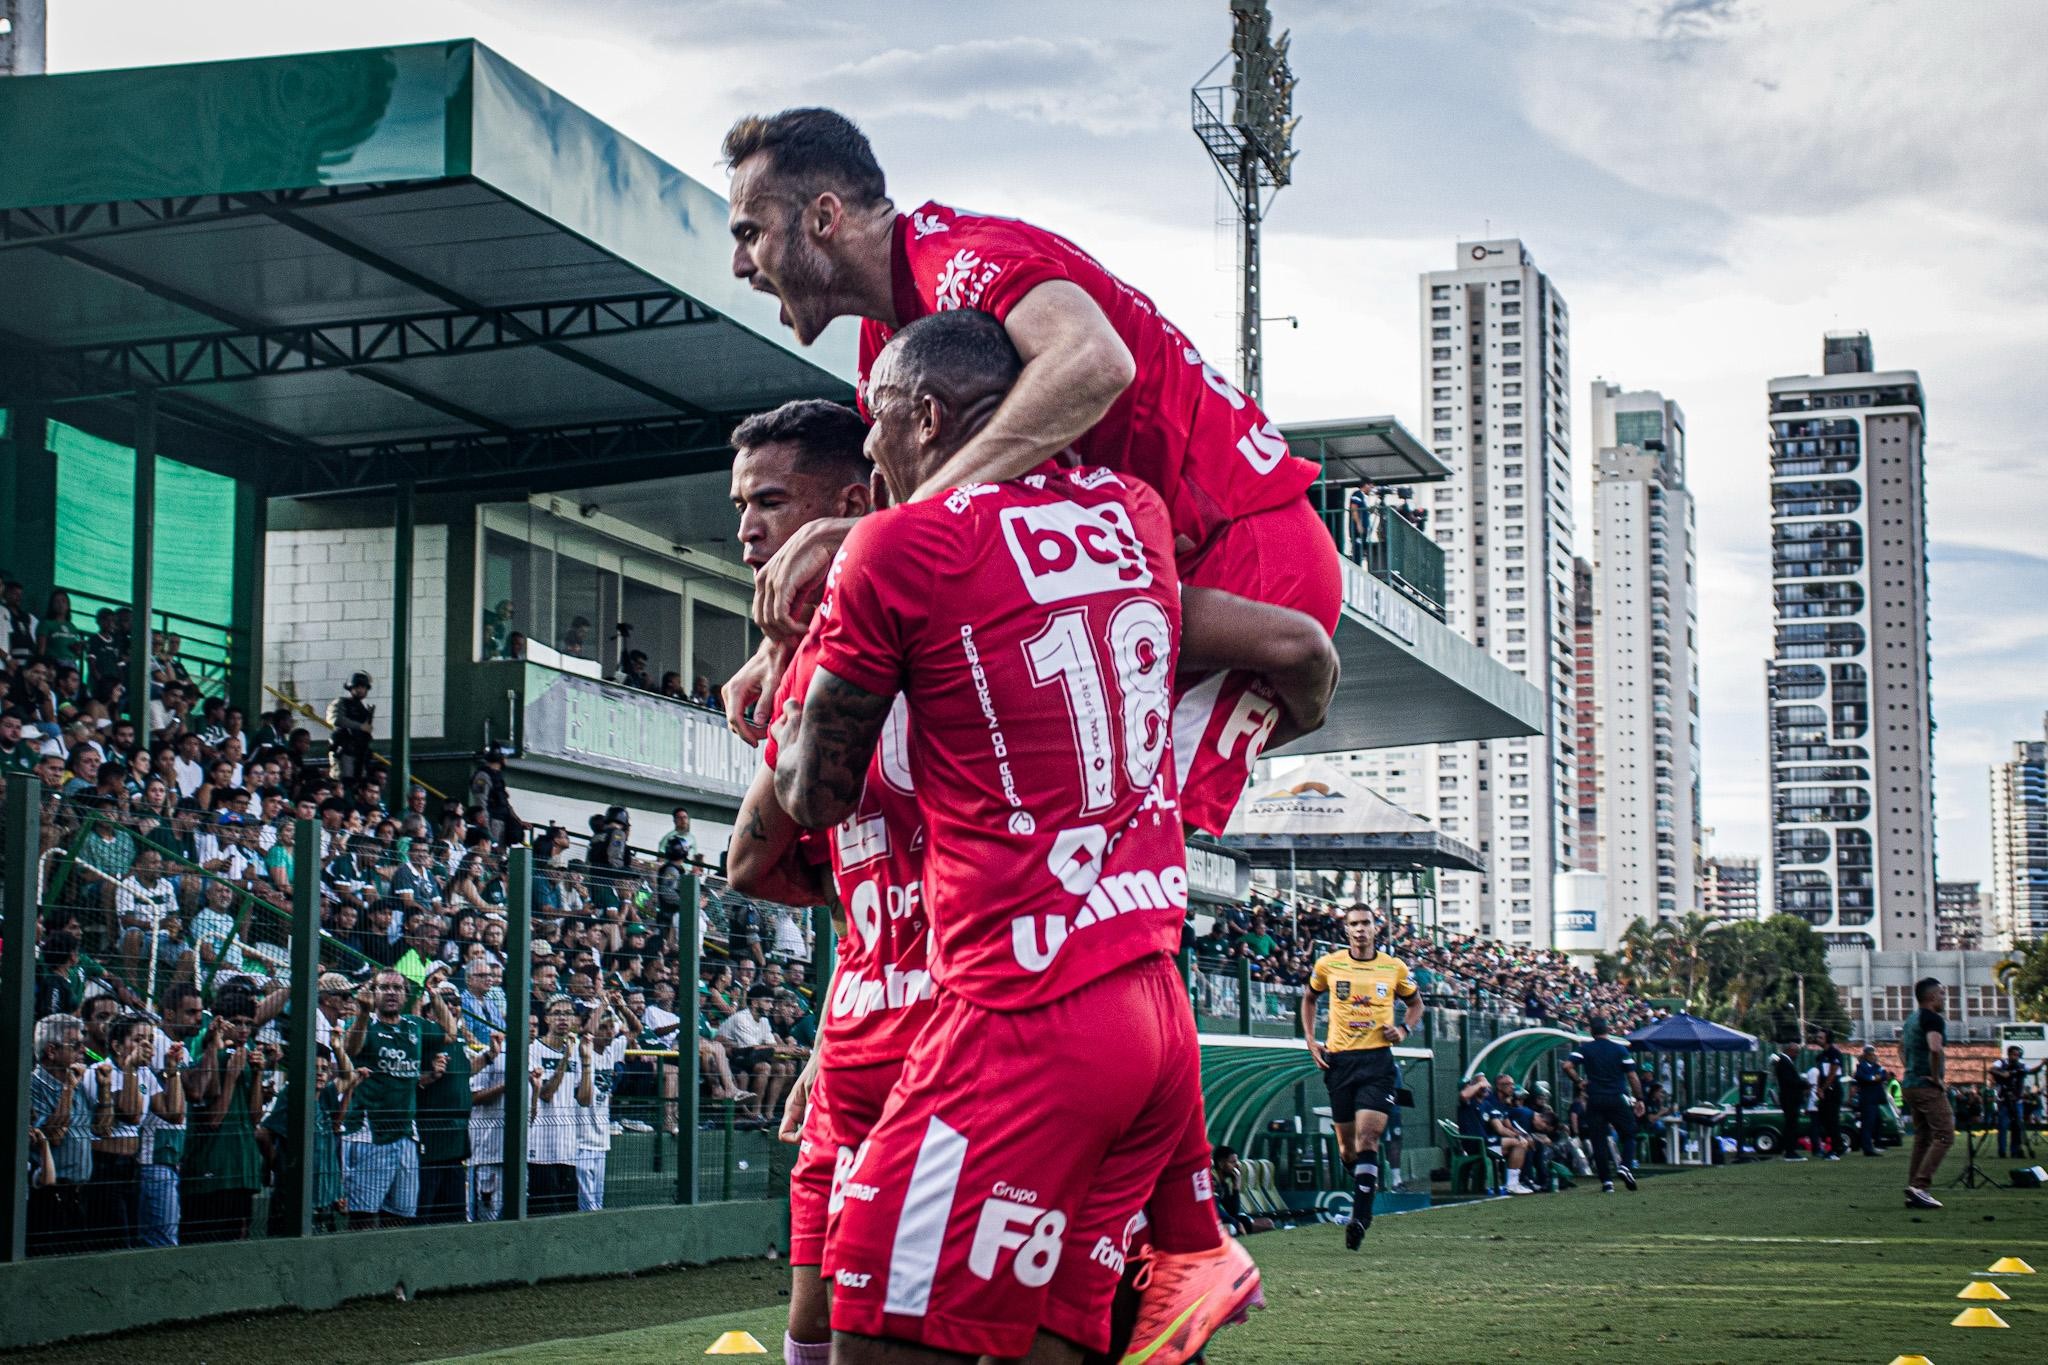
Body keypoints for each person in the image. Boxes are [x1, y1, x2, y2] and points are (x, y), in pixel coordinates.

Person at [772, 309, 1223, 1365]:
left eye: (875, 423)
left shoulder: (899, 545)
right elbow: (1285, 642)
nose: (870, 447)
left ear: (924, 416)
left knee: (868, 1320)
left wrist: (792, 692)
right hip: (1153, 1000)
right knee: (1076, 1342)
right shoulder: (1133, 510)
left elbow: (816, 798)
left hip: (1024, 1007)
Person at [719, 107, 1342, 842]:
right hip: (1129, 578)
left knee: (1110, 849)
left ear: (823, 217)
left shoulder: (956, 258)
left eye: (750, 233)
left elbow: (1095, 361)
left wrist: (897, 528)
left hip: (1245, 555)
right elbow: (887, 535)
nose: (739, 265)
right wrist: (781, 642)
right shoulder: (887, 346)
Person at [1301, 904, 1426, 1247]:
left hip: (1377, 1063)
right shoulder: (1328, 965)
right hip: (1340, 1062)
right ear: (1346, 930)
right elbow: (1309, 998)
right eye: (1354, 924)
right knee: (1347, 1150)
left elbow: (1417, 1005)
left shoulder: (1394, 968)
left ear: (1376, 928)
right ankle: (1363, 1193)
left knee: (1368, 1138)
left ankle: (1360, 1216)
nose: (1360, 929)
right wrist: (1311, 1040)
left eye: (1366, 923)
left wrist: (1404, 1029)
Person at [342, 968, 445, 1229]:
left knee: (401, 1216)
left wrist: (434, 995)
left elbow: (450, 1031)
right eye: (384, 987)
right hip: (369, 1133)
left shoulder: (414, 1025)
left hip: (406, 1136)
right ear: (372, 993)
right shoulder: (362, 1023)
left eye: (398, 988)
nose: (391, 993)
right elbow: (350, 1050)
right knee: (363, 1216)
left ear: (406, 995)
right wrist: (363, 1013)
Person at [27, 1013, 92, 1255]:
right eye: (75, 1045)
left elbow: (101, 1128)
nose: (83, 1050)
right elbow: (53, 1135)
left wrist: (104, 1089)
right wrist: (68, 1089)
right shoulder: (33, 1086)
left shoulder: (78, 1081)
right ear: (51, 1051)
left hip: (81, 1194)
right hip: (50, 1197)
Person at [1563, 1017, 1643, 1193]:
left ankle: (1607, 1183)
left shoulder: (1585, 1049)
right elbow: (1632, 1076)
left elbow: (1567, 1066)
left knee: (1598, 1141)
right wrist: (1640, 1099)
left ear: (1591, 1032)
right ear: (1608, 1031)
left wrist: (1579, 1081)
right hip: (1616, 1097)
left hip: (1595, 1099)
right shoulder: (1620, 1050)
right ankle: (1625, 1166)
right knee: (1629, 1134)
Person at [529, 994, 589, 1216]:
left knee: (567, 1212)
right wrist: (565, 1058)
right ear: (547, 1019)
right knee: (544, 1210)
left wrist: (586, 1061)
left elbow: (584, 1099)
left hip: (567, 1145)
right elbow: (545, 1093)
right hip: (541, 1146)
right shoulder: (534, 1049)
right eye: (557, 1014)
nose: (563, 1018)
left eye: (568, 1014)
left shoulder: (576, 1051)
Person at [1900, 978, 1955, 1208]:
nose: (1944, 998)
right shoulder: (1933, 1019)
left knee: (1922, 1138)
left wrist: (1909, 1067)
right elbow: (1935, 1047)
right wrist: (1936, 1078)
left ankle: (1913, 1188)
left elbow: (1900, 1048)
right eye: (1942, 994)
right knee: (1945, 1134)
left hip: (1910, 1084)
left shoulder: (1911, 1019)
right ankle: (1920, 1186)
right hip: (1926, 1087)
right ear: (1932, 996)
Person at [1456, 1074, 1533, 1194]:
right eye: (1483, 1086)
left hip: (1486, 1142)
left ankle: (1515, 1183)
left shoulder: (1486, 1105)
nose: (1486, 1088)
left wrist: (1518, 1136)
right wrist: (1480, 1083)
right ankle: (1512, 1185)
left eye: (1487, 1085)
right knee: (1518, 1144)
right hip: (1475, 1143)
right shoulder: (1469, 1102)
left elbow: (1500, 1128)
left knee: (1520, 1144)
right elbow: (1463, 1094)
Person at [1990, 1045, 2041, 1160]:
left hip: (2017, 1101)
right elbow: (1991, 1069)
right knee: (2003, 1126)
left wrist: (2042, 1063)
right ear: (2009, 1054)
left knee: (2017, 1126)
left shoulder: (2021, 1066)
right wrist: (2003, 1074)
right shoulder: (2001, 1063)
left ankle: (2015, 1151)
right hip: (2004, 1100)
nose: (2016, 1057)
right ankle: (2002, 1151)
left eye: (2017, 1055)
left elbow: (2032, 1070)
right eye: (2013, 1054)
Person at [325, 671, 375, 782]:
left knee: (359, 783)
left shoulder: (363, 709)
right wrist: (361, 727)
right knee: (345, 782)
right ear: (351, 687)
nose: (360, 690)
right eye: (357, 687)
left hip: (359, 752)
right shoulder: (340, 702)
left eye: (363, 687)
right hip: (344, 750)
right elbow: (336, 720)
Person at [1772, 1039, 1809, 1161]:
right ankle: (1790, 1152)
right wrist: (1804, 1084)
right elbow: (1789, 1081)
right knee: (1791, 1125)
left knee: (1791, 1125)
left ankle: (1789, 1150)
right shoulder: (1784, 1062)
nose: (1797, 1055)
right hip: (1789, 1098)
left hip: (1790, 1098)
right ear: (1790, 1051)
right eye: (1796, 1052)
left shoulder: (1784, 1062)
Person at [1812, 1028, 1846, 1160]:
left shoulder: (1834, 1053)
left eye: (1821, 1037)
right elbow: (1820, 1073)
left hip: (1832, 1091)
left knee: (1832, 1120)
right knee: (1825, 1120)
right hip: (1823, 1092)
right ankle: (1833, 1146)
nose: (1817, 1039)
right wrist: (1818, 1088)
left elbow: (1833, 1073)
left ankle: (1838, 1148)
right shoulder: (1821, 1055)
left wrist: (1823, 1088)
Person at [1852, 1044, 1890, 1157]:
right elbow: (1862, 1077)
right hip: (1867, 1099)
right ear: (1866, 1055)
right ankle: (1867, 1148)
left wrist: (1874, 1077)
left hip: (1875, 1099)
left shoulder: (1876, 1066)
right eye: (1871, 1054)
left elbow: (1883, 1075)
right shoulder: (1861, 1067)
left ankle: (1877, 1143)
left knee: (1877, 1122)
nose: (1873, 1056)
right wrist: (1874, 1078)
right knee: (1867, 1124)